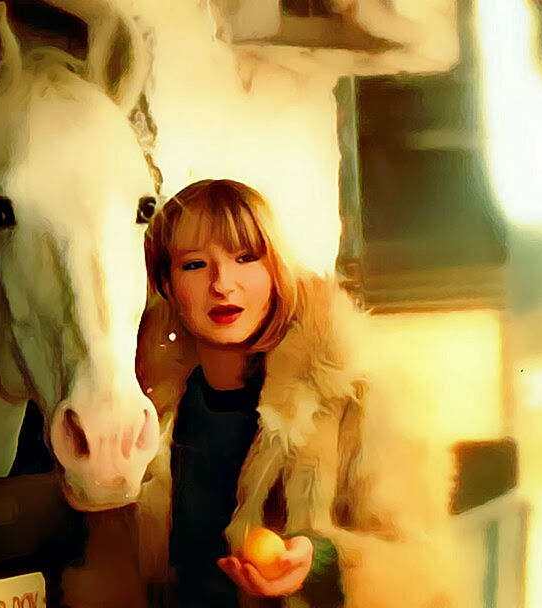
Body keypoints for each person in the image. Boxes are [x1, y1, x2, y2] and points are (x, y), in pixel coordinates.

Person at [137, 179, 456, 608]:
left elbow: (420, 562)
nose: (222, 284)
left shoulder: (353, 390)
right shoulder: (151, 409)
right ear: (167, 285)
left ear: (274, 269)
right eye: (194, 265)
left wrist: (320, 561)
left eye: (246, 258)